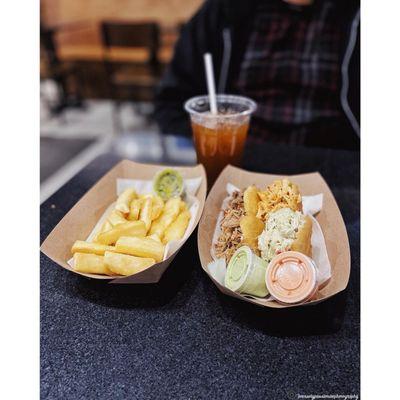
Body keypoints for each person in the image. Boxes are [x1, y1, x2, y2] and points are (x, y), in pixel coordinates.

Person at [154, 0, 360, 149]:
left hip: (334, 157)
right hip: (240, 157)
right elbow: (172, 102)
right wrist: (207, 142)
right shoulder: (224, 11)